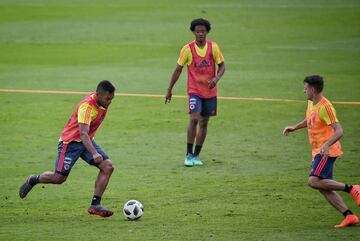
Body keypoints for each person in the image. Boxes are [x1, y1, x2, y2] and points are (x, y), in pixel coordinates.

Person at [19, 80, 116, 217]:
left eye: (112, 99)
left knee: (108, 167)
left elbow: (86, 135)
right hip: (70, 143)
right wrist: (94, 153)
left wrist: (92, 149)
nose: (109, 102)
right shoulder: (86, 107)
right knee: (59, 178)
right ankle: (34, 179)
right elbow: (82, 133)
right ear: (98, 94)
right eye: (107, 98)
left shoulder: (103, 103)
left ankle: (95, 204)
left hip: (87, 141)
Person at [283, 75, 360, 228]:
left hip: (327, 151)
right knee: (323, 186)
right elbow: (310, 119)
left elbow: (339, 131)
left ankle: (353, 188)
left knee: (313, 181)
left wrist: (326, 145)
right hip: (317, 150)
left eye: (306, 88)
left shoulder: (326, 107)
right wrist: (294, 127)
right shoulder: (311, 103)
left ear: (313, 89)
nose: (304, 91)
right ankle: (349, 215)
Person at [165, 18, 225, 167]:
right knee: (194, 119)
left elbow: (222, 66)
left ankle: (196, 156)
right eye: (197, 31)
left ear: (207, 32)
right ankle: (188, 154)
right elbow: (178, 69)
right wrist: (169, 89)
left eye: (203, 31)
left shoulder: (213, 47)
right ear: (193, 32)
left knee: (204, 122)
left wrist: (216, 78)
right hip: (194, 91)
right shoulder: (187, 49)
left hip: (210, 92)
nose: (200, 34)